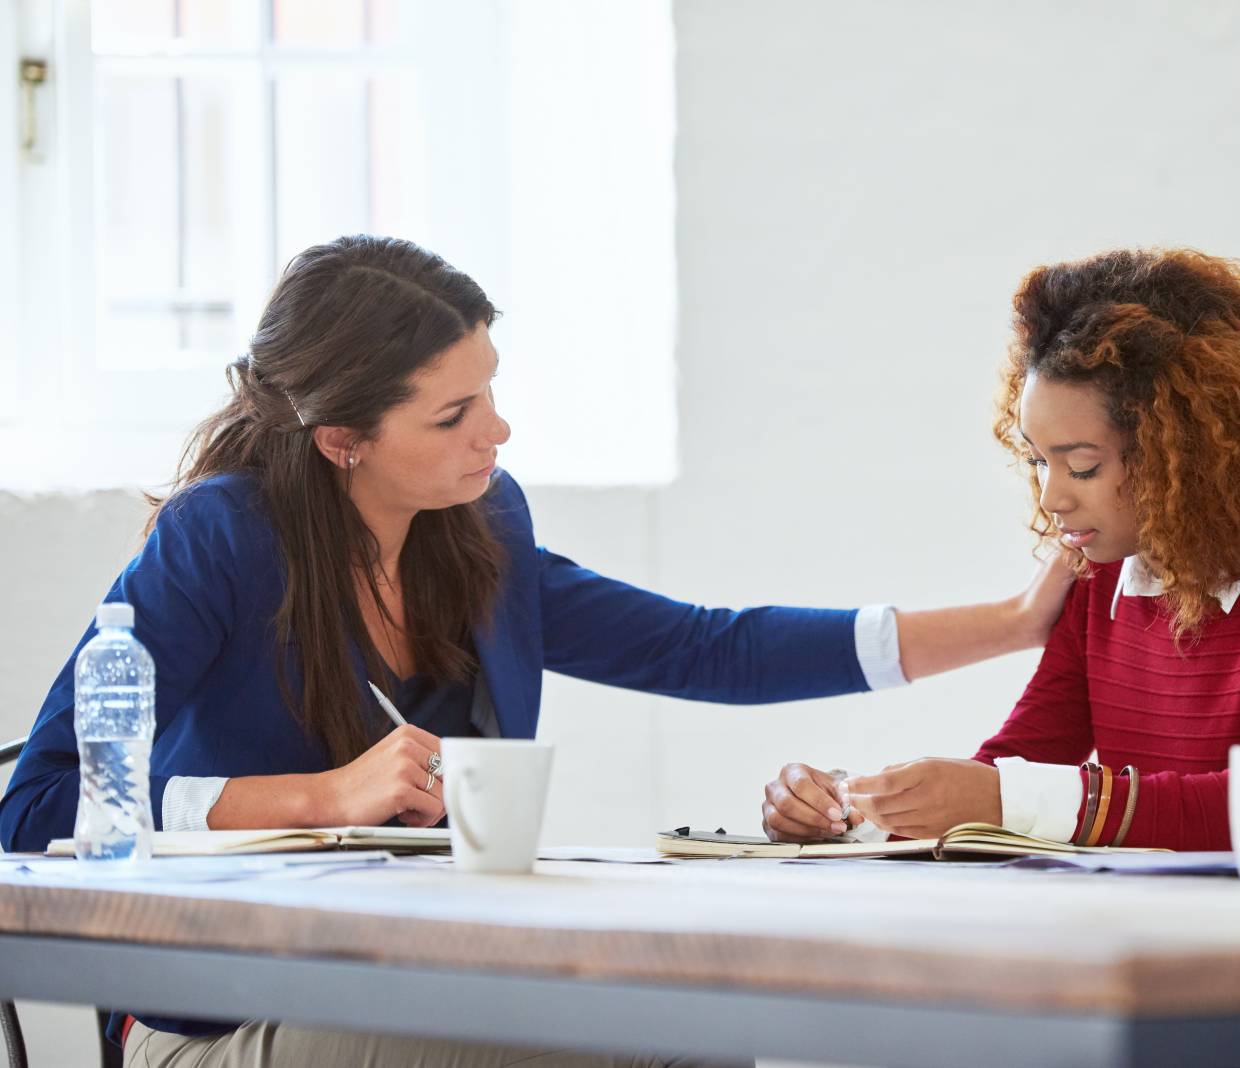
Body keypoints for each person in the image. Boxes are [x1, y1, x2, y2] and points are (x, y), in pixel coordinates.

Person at [0, 235, 1075, 1067]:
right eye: (454, 413)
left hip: (426, 983)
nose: (496, 432)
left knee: (692, 1020)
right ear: (343, 440)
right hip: (223, 1026)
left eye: (492, 391)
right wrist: (319, 795)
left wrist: (1013, 623)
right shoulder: (221, 537)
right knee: (631, 1037)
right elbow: (38, 804)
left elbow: (705, 650)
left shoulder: (479, 528)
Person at [761, 248, 1240, 866]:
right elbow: (1014, 772)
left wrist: (1003, 798)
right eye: (1038, 462)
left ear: (1183, 452)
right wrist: (853, 813)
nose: (1053, 498)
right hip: (1205, 934)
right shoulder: (1098, 577)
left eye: (1083, 466)